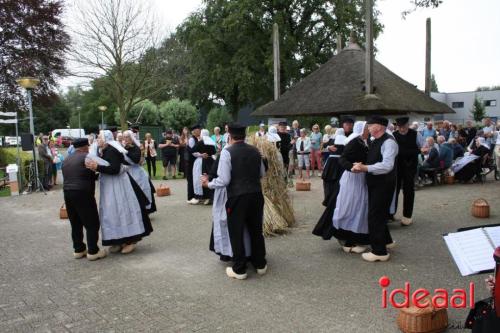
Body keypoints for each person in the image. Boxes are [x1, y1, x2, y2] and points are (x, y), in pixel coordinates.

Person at [202, 123, 267, 280]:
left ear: (229, 136)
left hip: (237, 197)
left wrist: (208, 184)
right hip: (256, 195)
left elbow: (224, 180)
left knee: (236, 231)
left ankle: (240, 269)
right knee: (256, 229)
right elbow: (262, 173)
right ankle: (260, 264)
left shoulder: (227, 152)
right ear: (244, 136)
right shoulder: (255, 150)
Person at [85, 130, 153, 254]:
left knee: (122, 211)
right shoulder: (105, 150)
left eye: (99, 137)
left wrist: (97, 167)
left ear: (106, 139)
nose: (97, 140)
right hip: (111, 186)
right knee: (113, 212)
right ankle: (118, 240)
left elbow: (115, 169)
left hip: (119, 186)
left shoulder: (112, 150)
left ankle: (130, 240)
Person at [313, 121, 369, 250]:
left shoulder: (362, 141)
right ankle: (345, 238)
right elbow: (343, 159)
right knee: (349, 206)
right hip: (352, 178)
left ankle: (353, 237)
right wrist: (352, 167)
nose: (369, 131)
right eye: (367, 128)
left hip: (359, 178)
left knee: (356, 207)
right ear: (361, 130)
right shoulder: (354, 141)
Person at [351, 116, 397, 262]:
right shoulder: (376, 140)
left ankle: (379, 252)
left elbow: (387, 165)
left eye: (370, 125)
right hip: (376, 183)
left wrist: (365, 167)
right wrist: (362, 165)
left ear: (378, 126)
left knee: (375, 215)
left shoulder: (389, 142)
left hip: (383, 184)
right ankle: (387, 241)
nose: (368, 128)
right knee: (378, 213)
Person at [62, 138, 106, 261]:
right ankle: (93, 251)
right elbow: (95, 170)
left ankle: (79, 249)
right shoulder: (87, 157)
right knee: (92, 222)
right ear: (85, 147)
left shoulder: (67, 159)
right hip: (83, 192)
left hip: (67, 192)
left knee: (75, 222)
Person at [393, 117, 420, 226]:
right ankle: (391, 213)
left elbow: (423, 146)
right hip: (397, 166)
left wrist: (421, 150)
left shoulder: (416, 134)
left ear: (408, 125)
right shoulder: (394, 135)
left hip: (410, 166)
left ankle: (407, 216)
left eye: (403, 127)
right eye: (399, 127)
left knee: (408, 190)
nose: (402, 129)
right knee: (394, 190)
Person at [122, 130, 156, 214]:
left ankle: (144, 210)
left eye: (127, 137)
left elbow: (136, 160)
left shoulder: (135, 147)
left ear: (131, 138)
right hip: (128, 171)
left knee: (142, 190)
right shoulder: (124, 147)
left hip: (137, 172)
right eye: (124, 137)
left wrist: (127, 151)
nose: (125, 139)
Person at [321, 128, 346, 206]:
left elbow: (324, 144)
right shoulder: (346, 140)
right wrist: (328, 147)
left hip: (331, 162)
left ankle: (328, 200)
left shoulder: (332, 140)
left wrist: (328, 147)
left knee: (328, 182)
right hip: (341, 162)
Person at [192, 129, 217, 205]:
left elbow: (193, 151)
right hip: (210, 161)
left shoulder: (200, 143)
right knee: (210, 178)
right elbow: (214, 152)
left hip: (201, 161)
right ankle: (210, 197)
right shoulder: (211, 143)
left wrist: (200, 154)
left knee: (202, 177)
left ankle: (203, 197)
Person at [186, 125, 202, 204]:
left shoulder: (197, 139)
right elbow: (193, 152)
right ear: (194, 131)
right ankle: (190, 197)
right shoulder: (192, 139)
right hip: (191, 161)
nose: (200, 131)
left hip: (196, 161)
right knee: (191, 179)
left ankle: (195, 196)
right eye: (199, 130)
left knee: (195, 178)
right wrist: (201, 155)